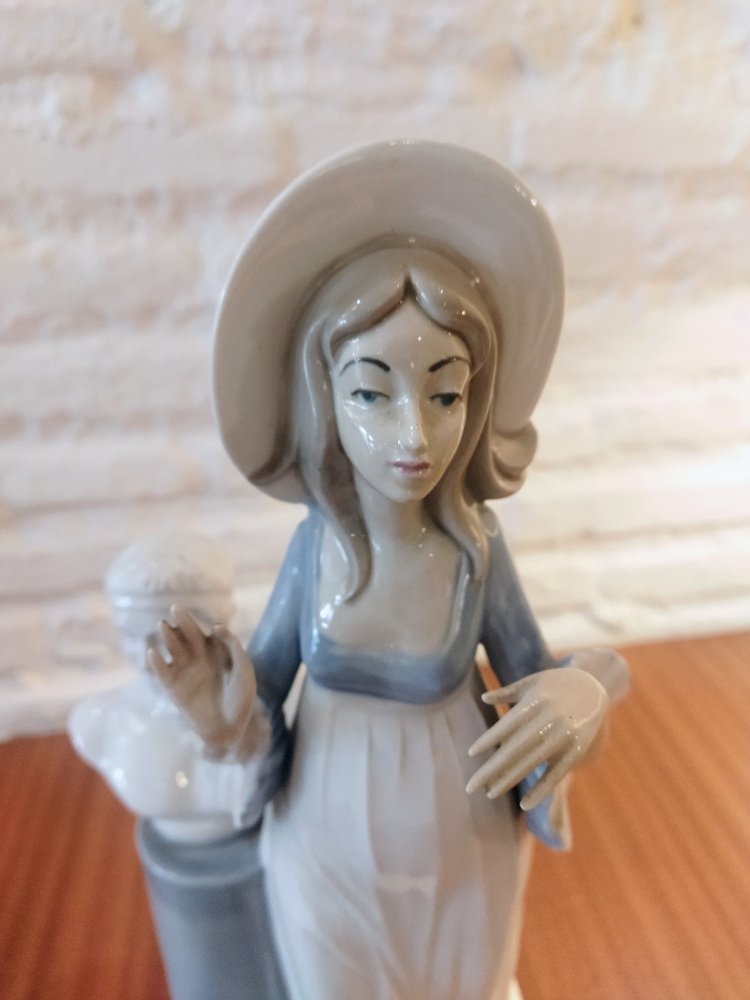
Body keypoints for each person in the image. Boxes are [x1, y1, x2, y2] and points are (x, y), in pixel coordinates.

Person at [150, 142, 628, 1000]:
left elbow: (542, 677)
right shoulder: (314, 552)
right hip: (327, 854)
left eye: (444, 394)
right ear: (324, 399)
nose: (414, 436)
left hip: (463, 849)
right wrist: (224, 721)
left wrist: (589, 690)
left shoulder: (476, 551)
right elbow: (259, 700)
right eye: (373, 393)